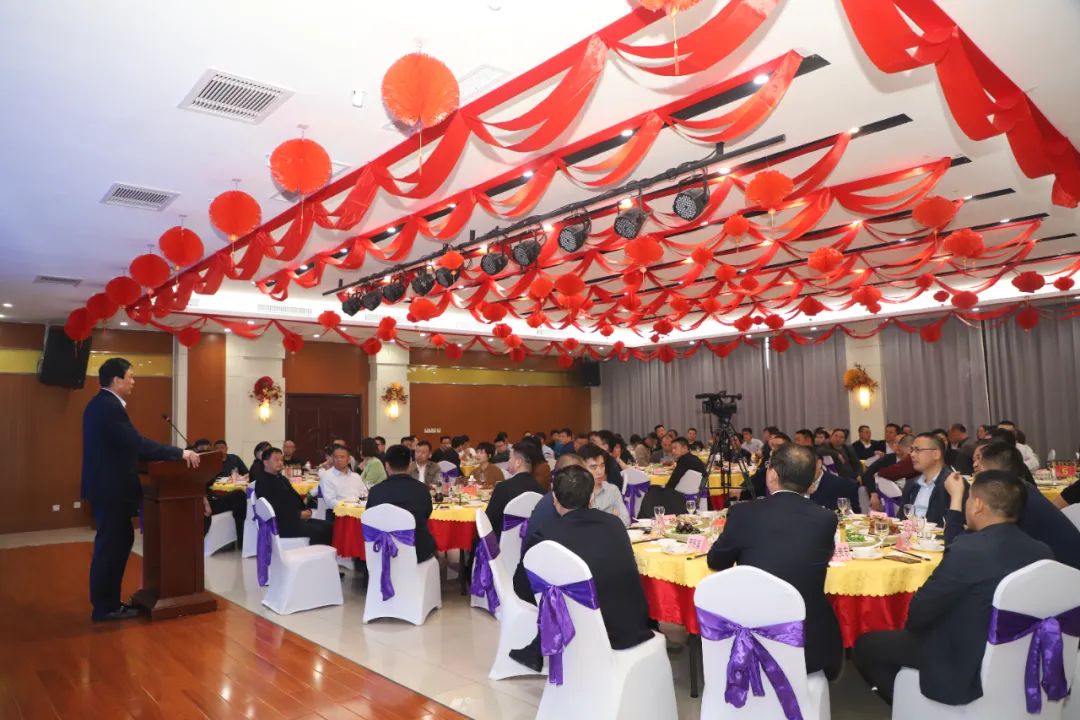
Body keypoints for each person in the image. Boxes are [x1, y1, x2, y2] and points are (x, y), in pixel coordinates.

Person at [853, 470, 1052, 706]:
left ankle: (910, 707)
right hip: (1023, 652)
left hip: (963, 657)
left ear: (978, 505)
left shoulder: (969, 551)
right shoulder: (1042, 552)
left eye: (967, 498)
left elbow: (919, 614)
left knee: (866, 645)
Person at [708, 443, 843, 679]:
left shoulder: (744, 513)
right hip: (807, 640)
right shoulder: (826, 519)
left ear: (772, 475)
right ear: (811, 482)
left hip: (751, 632)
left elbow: (716, 561)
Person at [81, 358, 199, 622]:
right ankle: (105, 607)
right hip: (112, 490)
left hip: (108, 489)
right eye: (130, 377)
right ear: (116, 380)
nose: (134, 382)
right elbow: (135, 443)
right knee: (111, 548)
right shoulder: (109, 407)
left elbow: (127, 445)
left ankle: (109, 603)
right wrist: (179, 453)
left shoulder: (100, 404)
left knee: (116, 543)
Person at [509, 464, 654, 672]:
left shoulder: (547, 536)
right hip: (634, 626)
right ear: (591, 497)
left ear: (555, 499)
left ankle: (536, 649)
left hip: (585, 634)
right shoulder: (614, 524)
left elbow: (522, 588)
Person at [943, 442, 1080, 570]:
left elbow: (954, 551)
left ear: (988, 473)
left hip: (1065, 577)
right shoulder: (1022, 489)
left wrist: (956, 496)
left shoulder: (1009, 499)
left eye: (978, 469)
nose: (974, 470)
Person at [365, 444, 436, 563]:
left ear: (386, 465)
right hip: (418, 551)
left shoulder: (375, 491)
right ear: (410, 464)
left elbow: (370, 518)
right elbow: (426, 514)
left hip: (384, 551)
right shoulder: (422, 489)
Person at [254, 446, 333, 545]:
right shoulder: (263, 482)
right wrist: (298, 514)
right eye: (276, 460)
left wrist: (306, 510)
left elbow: (295, 497)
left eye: (281, 460)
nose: (280, 463)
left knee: (329, 526)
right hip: (281, 524)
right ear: (265, 462)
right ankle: (315, 553)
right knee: (320, 531)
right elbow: (273, 508)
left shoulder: (281, 478)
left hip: (294, 519)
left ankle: (328, 553)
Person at [485, 442, 545, 540]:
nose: (508, 461)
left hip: (502, 544)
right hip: (530, 544)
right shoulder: (540, 490)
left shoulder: (503, 488)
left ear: (518, 462)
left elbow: (489, 521)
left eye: (510, 458)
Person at [900, 433, 952, 524]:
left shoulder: (952, 484)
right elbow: (901, 518)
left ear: (936, 454)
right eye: (912, 450)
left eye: (917, 450)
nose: (912, 454)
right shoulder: (911, 484)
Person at [578, 445, 630, 526]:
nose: (600, 471)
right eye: (593, 467)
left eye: (602, 465)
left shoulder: (612, 489)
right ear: (581, 468)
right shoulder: (576, 493)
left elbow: (626, 520)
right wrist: (612, 519)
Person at [317, 446, 367, 518]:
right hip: (338, 515)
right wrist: (350, 506)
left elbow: (365, 495)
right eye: (336, 457)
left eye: (342, 457)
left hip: (359, 513)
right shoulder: (327, 476)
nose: (339, 459)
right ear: (333, 459)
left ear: (349, 460)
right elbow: (330, 502)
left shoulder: (356, 477)